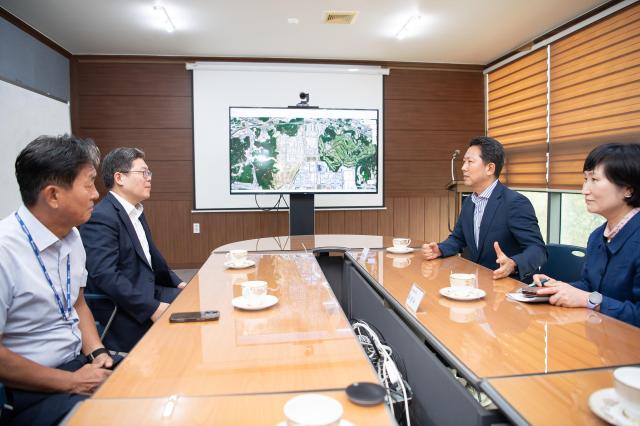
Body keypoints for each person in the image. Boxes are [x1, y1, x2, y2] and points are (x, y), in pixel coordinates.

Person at [0, 135, 113, 426]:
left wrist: (97, 351)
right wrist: (72, 382)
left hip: (78, 365)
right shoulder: (5, 251)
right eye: (88, 184)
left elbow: (77, 303)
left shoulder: (72, 235)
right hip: (31, 391)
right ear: (53, 195)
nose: (96, 194)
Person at [79, 147, 186, 352]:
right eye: (143, 172)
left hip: (147, 290)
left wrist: (178, 283)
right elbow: (106, 275)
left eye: (149, 173)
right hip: (124, 307)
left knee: (197, 301)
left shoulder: (134, 210)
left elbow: (152, 257)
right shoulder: (101, 217)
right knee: (188, 324)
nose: (149, 178)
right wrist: (151, 308)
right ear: (120, 178)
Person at [533, 143, 640, 327]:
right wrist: (559, 287)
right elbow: (592, 288)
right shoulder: (597, 236)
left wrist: (590, 300)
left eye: (595, 180)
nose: (584, 190)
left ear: (628, 189)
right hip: (603, 341)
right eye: (585, 179)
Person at [422, 137, 546, 281]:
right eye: (464, 162)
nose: (463, 167)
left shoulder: (515, 203)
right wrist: (440, 249)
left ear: (490, 168)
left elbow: (538, 250)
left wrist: (513, 263)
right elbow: (458, 238)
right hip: (477, 283)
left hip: (506, 287)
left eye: (470, 162)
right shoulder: (469, 201)